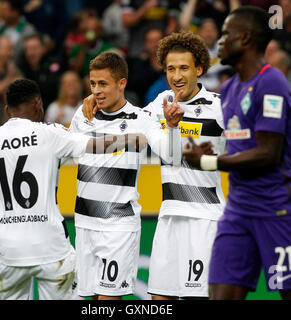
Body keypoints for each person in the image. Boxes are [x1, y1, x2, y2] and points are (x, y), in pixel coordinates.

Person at [0, 78, 148, 300]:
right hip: (50, 247)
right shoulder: (51, 134)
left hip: (8, 250)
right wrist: (133, 139)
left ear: (7, 109)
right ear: (38, 104)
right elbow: (94, 145)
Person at [183, 6, 291, 299]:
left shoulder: (272, 82)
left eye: (226, 34)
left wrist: (209, 160)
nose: (219, 41)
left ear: (245, 39)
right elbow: (240, 144)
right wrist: (212, 148)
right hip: (237, 212)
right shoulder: (229, 89)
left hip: (277, 211)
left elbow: (267, 153)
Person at [82, 31, 226, 300]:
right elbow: (125, 117)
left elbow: (244, 153)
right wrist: (98, 99)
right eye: (171, 68)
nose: (177, 75)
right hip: (169, 217)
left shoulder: (219, 107)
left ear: (200, 68)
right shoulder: (158, 105)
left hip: (205, 218)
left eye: (184, 68)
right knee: (160, 301)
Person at [70, 51, 185, 300]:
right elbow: (67, 145)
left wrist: (173, 128)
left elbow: (173, 157)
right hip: (84, 223)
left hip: (118, 226)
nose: (97, 91)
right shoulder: (83, 115)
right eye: (92, 84)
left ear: (121, 83)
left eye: (103, 84)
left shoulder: (141, 119)